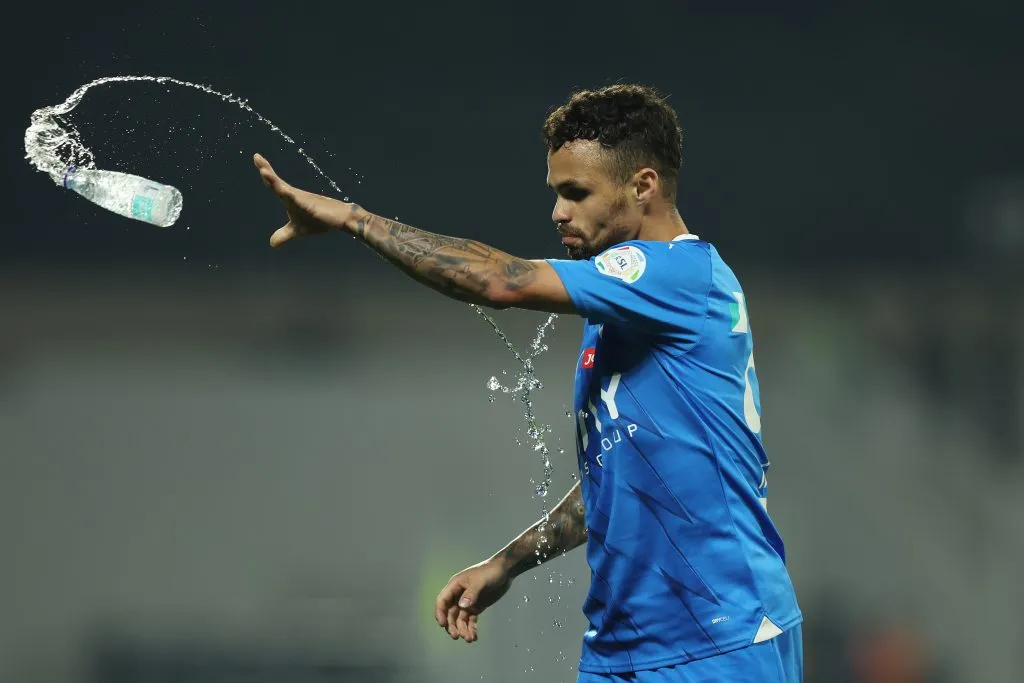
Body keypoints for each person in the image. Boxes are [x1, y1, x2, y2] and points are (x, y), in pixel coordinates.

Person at [253, 83, 803, 682]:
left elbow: (502, 282)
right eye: (556, 192)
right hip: (621, 651)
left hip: (720, 643)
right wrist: (506, 564)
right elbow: (615, 476)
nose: (558, 212)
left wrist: (353, 218)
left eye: (576, 192)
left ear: (643, 186)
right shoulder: (625, 311)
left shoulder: (680, 273)